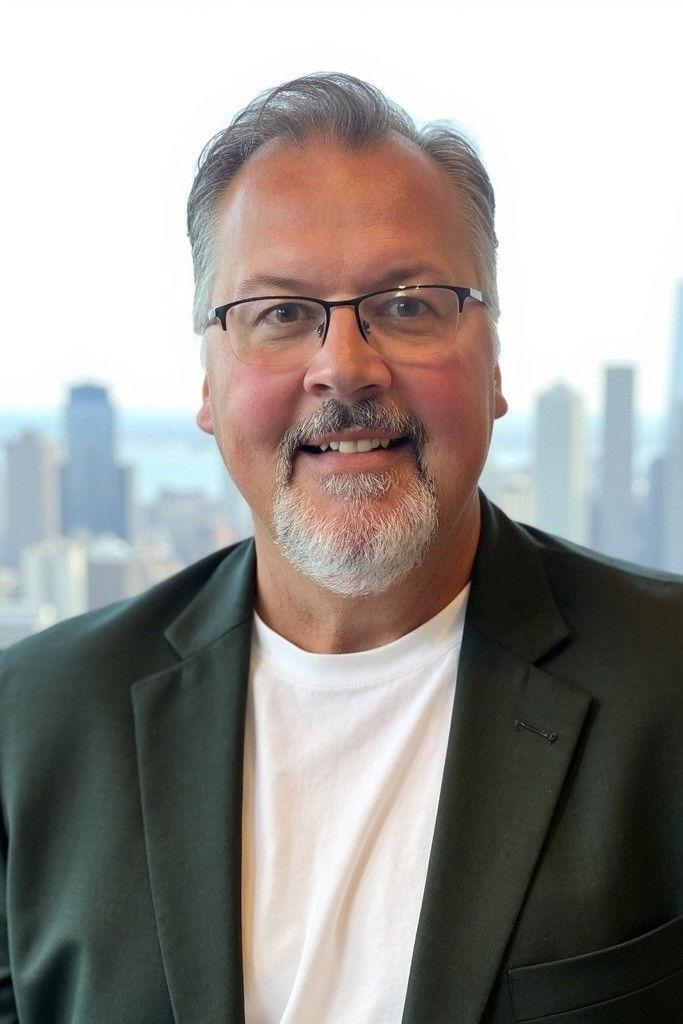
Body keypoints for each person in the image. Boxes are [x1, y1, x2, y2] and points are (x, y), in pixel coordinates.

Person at [0, 73, 681, 1024]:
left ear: (493, 363)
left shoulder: (668, 680)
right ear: (208, 385)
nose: (345, 367)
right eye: (280, 313)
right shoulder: (29, 724)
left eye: (407, 305)